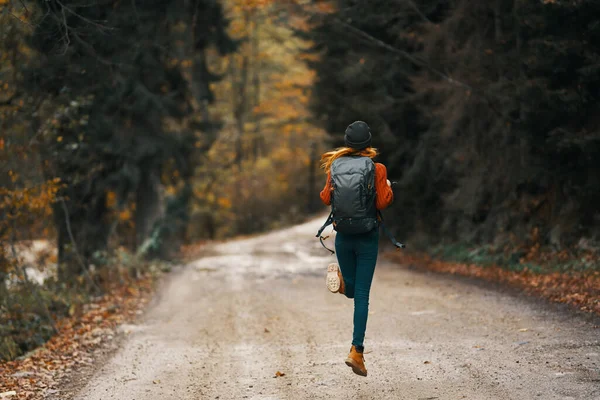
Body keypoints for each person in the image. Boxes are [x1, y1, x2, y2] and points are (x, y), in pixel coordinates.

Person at [319, 120, 394, 377]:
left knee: (351, 291)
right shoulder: (377, 168)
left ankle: (340, 282)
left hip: (343, 237)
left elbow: (326, 198)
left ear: (348, 143)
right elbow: (383, 202)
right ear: (368, 143)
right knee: (360, 296)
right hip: (367, 236)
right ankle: (356, 352)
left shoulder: (335, 166)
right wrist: (388, 189)